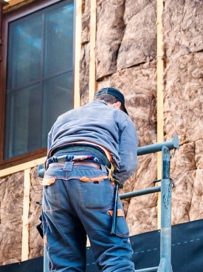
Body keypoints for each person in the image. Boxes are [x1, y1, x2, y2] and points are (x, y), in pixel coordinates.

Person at [41, 87, 138, 271]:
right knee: (113, 253)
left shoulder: (63, 118)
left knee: (64, 260)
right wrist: (112, 182)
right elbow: (127, 163)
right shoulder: (118, 115)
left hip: (52, 180)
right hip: (92, 174)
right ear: (117, 104)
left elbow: (49, 156)